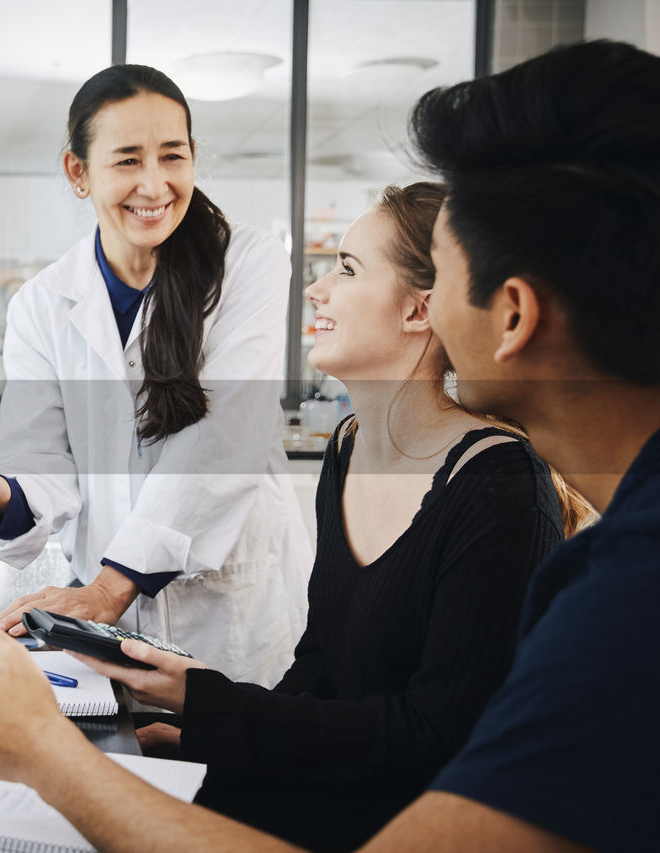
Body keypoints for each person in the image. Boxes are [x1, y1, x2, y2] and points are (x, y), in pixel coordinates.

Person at [0, 40, 660, 852]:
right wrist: (209, 712)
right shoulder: (363, 453)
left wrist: (43, 752)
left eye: (441, 281)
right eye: (127, 157)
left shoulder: (591, 569)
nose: (320, 288)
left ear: (507, 314)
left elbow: (418, 749)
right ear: (78, 172)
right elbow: (337, 690)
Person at [70, 181, 590, 852]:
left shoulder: (498, 486)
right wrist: (209, 743)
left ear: (419, 310)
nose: (316, 290)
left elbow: (433, 741)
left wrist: (210, 707)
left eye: (346, 269)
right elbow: (322, 668)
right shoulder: (348, 447)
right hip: (339, 792)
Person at [0, 64, 311, 682]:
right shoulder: (42, 303)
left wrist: (109, 590)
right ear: (78, 172)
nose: (155, 184)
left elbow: (222, 440)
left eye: (173, 156)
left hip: (231, 618)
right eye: (127, 160)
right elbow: (42, 466)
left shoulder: (247, 264)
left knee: (233, 767)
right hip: (112, 629)